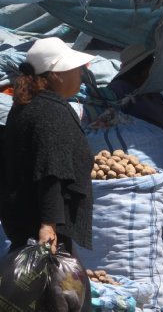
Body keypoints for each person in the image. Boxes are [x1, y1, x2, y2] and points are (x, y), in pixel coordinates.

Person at [1, 37, 95, 310]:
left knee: (41, 293)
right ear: (56, 74)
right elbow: (50, 170)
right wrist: (49, 224)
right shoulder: (51, 111)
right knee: (61, 296)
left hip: (27, 219)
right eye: (75, 70)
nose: (80, 75)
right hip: (47, 225)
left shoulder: (27, 106)